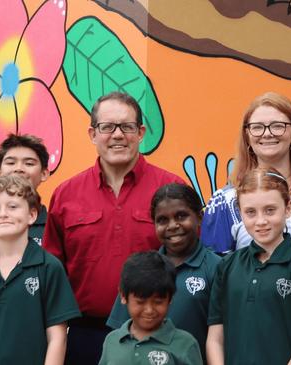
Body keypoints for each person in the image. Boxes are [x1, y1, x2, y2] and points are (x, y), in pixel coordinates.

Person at [43, 91, 185, 364]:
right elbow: (53, 271)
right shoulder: (66, 194)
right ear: (92, 134)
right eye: (107, 127)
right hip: (84, 336)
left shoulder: (172, 190)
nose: (117, 135)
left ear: (141, 132)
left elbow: (190, 259)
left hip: (156, 334)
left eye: (127, 127)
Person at [201, 92, 291, 280]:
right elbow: (215, 273)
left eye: (278, 126)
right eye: (257, 127)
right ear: (247, 136)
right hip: (256, 307)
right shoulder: (225, 200)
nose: (267, 133)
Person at [0, 175, 80, 365]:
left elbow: (57, 337)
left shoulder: (49, 267)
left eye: (13, 206)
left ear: (32, 215)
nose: (3, 214)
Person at [207, 168, 291, 365]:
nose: (261, 221)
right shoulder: (227, 266)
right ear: (239, 212)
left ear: (288, 208)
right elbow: (215, 337)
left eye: (270, 210)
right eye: (250, 212)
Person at [107, 183, 221, 362]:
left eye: (181, 216)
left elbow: (222, 336)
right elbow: (118, 334)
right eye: (162, 220)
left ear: (199, 217)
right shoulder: (141, 268)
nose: (173, 225)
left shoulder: (217, 268)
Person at [100, 251, 203, 365]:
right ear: (123, 296)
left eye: (158, 302)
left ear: (170, 298)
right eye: (140, 302)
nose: (149, 310)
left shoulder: (185, 344)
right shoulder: (112, 341)